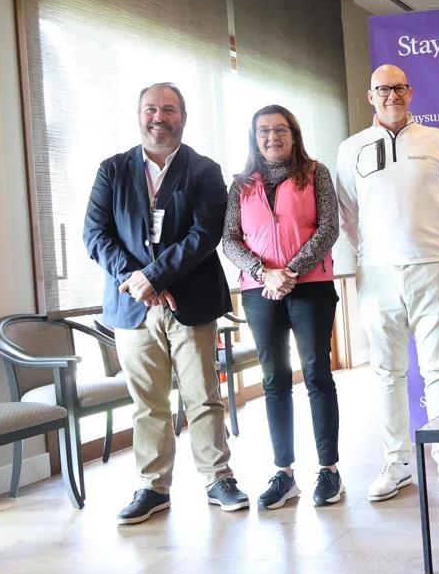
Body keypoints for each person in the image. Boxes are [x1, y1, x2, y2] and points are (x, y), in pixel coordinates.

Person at [84, 82, 248, 524]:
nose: (159, 117)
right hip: (132, 308)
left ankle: (218, 478)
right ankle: (152, 487)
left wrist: (155, 276)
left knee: (203, 396)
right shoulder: (112, 170)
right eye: (151, 109)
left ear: (183, 117)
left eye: (169, 109)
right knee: (147, 402)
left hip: (190, 302)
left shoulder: (204, 170)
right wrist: (136, 280)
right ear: (139, 115)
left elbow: (204, 234)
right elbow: (95, 235)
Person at [335, 65, 439, 502]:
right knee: (387, 372)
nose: (391, 95)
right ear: (370, 96)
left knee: (438, 367)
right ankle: (396, 462)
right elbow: (347, 214)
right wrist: (377, 252)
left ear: (410, 93)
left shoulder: (438, 141)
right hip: (376, 274)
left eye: (398, 88)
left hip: (431, 266)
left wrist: (429, 246)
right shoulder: (351, 148)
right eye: (383, 89)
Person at [221, 105, 342, 510]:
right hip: (260, 292)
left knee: (317, 375)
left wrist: (290, 271)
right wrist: (263, 272)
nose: (272, 137)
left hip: (311, 287)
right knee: (274, 380)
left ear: (293, 134)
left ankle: (329, 470)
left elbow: (329, 228)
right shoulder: (241, 184)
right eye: (263, 131)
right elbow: (230, 239)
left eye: (280, 130)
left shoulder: (316, 173)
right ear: (254, 138)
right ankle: (284, 473)